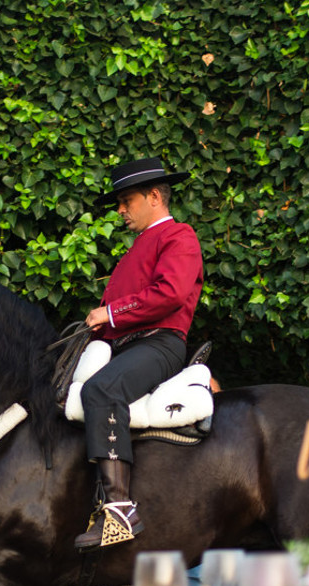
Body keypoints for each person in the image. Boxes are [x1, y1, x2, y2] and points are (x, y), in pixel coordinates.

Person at [74, 157, 204, 551]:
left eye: (126, 200)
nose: (120, 210)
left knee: (99, 391)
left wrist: (110, 312)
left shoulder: (179, 236)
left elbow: (170, 294)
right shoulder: (138, 248)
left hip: (159, 343)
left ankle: (120, 512)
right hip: (125, 344)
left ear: (153, 197)